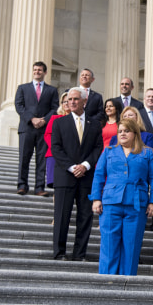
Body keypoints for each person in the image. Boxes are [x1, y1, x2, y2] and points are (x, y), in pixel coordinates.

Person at [90, 119, 153, 275]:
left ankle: (126, 282)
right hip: (110, 204)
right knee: (109, 244)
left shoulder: (147, 152)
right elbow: (99, 175)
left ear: (135, 133)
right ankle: (106, 280)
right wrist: (96, 198)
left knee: (131, 245)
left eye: (126, 131)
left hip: (136, 204)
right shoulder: (108, 151)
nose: (122, 134)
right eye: (120, 131)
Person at [50, 86, 103, 260]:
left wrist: (86, 165)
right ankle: (59, 253)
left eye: (75, 99)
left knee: (85, 217)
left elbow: (97, 148)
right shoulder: (59, 122)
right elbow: (56, 148)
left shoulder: (94, 124)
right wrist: (73, 167)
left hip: (87, 177)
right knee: (62, 216)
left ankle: (79, 254)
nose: (71, 102)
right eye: (69, 99)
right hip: (65, 176)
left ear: (84, 101)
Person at [15, 61, 59, 196]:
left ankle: (39, 187)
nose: (37, 72)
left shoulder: (52, 90)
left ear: (45, 72)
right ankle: (22, 185)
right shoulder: (23, 88)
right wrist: (31, 119)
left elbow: (54, 107)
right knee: (24, 157)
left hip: (43, 129)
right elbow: (19, 106)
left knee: (41, 159)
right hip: (26, 128)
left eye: (40, 70)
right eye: (35, 70)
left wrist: (44, 120)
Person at [44, 91, 70, 192]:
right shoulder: (55, 118)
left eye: (69, 101)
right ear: (61, 104)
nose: (67, 103)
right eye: (64, 102)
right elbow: (47, 135)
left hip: (70, 156)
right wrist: (57, 148)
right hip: (54, 154)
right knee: (56, 186)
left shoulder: (77, 120)